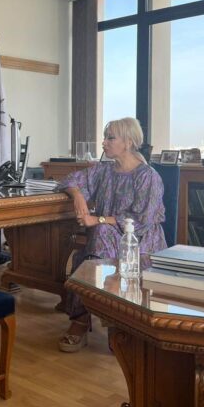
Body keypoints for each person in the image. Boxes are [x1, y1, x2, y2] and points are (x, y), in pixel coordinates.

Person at [58, 117, 166, 352]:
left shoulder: (148, 176)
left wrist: (98, 220)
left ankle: (86, 319)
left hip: (141, 244)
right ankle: (110, 321)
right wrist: (78, 196)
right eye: (105, 137)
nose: (104, 142)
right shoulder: (104, 170)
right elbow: (70, 180)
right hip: (104, 241)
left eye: (110, 138)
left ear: (128, 142)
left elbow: (141, 221)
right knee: (101, 237)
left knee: (99, 236)